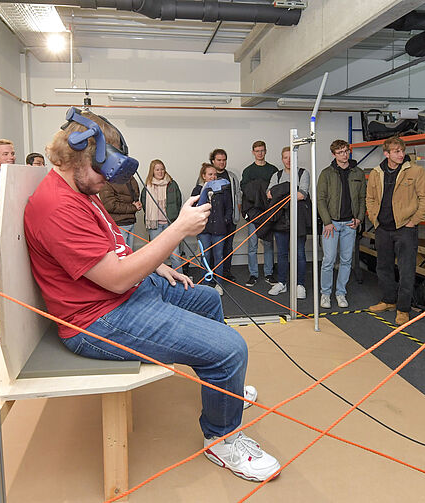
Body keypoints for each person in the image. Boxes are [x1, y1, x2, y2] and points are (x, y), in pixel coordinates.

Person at [23, 108, 280, 482]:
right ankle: (222, 439)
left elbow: (114, 245)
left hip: (126, 292)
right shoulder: (57, 205)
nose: (103, 184)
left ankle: (220, 389)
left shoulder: (81, 188)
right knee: (231, 348)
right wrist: (177, 231)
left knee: (208, 298)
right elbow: (114, 279)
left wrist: (156, 263)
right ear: (76, 156)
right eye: (101, 173)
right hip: (98, 319)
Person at [366, 136, 425, 325]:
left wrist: (413, 221)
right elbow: (370, 199)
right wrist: (374, 218)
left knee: (406, 269)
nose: (401, 154)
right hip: (383, 228)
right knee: (383, 266)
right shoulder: (376, 173)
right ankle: (388, 300)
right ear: (386, 153)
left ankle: (403, 308)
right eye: (396, 151)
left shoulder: (416, 171)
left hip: (405, 229)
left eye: (402, 151)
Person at [317, 140, 366, 309]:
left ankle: (340, 293)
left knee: (346, 260)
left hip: (350, 224)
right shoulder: (326, 173)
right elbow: (320, 199)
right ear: (334, 155)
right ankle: (325, 293)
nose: (344, 155)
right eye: (340, 152)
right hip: (332, 225)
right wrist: (327, 222)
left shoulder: (358, 173)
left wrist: (359, 218)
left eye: (346, 151)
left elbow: (362, 198)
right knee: (328, 260)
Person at [266, 147, 310, 299]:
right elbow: (269, 194)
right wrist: (289, 191)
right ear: (282, 159)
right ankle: (282, 283)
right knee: (283, 254)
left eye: (291, 157)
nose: (289, 160)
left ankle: (300, 285)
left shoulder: (303, 173)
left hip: (298, 221)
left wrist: (281, 192)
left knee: (299, 254)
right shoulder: (276, 175)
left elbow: (302, 194)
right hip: (280, 221)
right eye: (286, 157)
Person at [192, 163, 233, 295]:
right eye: (210, 174)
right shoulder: (197, 190)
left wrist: (225, 220)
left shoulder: (223, 189)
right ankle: (206, 283)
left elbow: (229, 208)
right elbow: (193, 208)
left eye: (215, 174)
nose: (213, 177)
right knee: (205, 256)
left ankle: (219, 284)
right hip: (204, 229)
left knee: (218, 256)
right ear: (203, 176)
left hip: (219, 228)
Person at [241, 140, 278, 287]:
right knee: (252, 246)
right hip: (253, 213)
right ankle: (253, 274)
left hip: (268, 212)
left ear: (266, 151)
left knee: (268, 244)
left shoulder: (273, 170)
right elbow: (246, 191)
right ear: (253, 152)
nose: (260, 153)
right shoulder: (248, 171)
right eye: (257, 151)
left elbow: (275, 190)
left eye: (262, 150)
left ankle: (269, 273)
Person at [140, 159, 183, 270]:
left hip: (170, 224)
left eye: (162, 169)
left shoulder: (172, 184)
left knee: (175, 254)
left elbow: (178, 202)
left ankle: (180, 279)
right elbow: (144, 204)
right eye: (157, 169)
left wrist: (174, 216)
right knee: (157, 256)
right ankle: (161, 281)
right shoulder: (147, 187)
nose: (160, 172)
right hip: (155, 226)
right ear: (152, 171)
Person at [210, 148, 242, 282]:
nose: (222, 163)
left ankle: (226, 272)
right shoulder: (208, 175)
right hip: (212, 221)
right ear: (213, 161)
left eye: (224, 160)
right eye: (219, 160)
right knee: (212, 249)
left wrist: (237, 213)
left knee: (228, 247)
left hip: (229, 219)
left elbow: (238, 195)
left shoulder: (232, 176)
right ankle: (212, 273)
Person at [99, 178, 142, 250]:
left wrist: (137, 203)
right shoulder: (107, 182)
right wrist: (133, 207)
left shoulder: (130, 178)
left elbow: (135, 195)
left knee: (129, 254)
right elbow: (110, 206)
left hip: (130, 222)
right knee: (122, 254)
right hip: (119, 224)